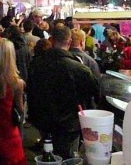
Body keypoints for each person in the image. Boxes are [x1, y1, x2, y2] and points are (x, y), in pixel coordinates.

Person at [27, 26, 99, 159]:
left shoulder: (36, 64)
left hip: (43, 120)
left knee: (48, 154)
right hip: (69, 124)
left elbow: (30, 92)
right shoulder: (78, 68)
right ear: (70, 41)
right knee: (68, 157)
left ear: (51, 40)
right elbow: (95, 91)